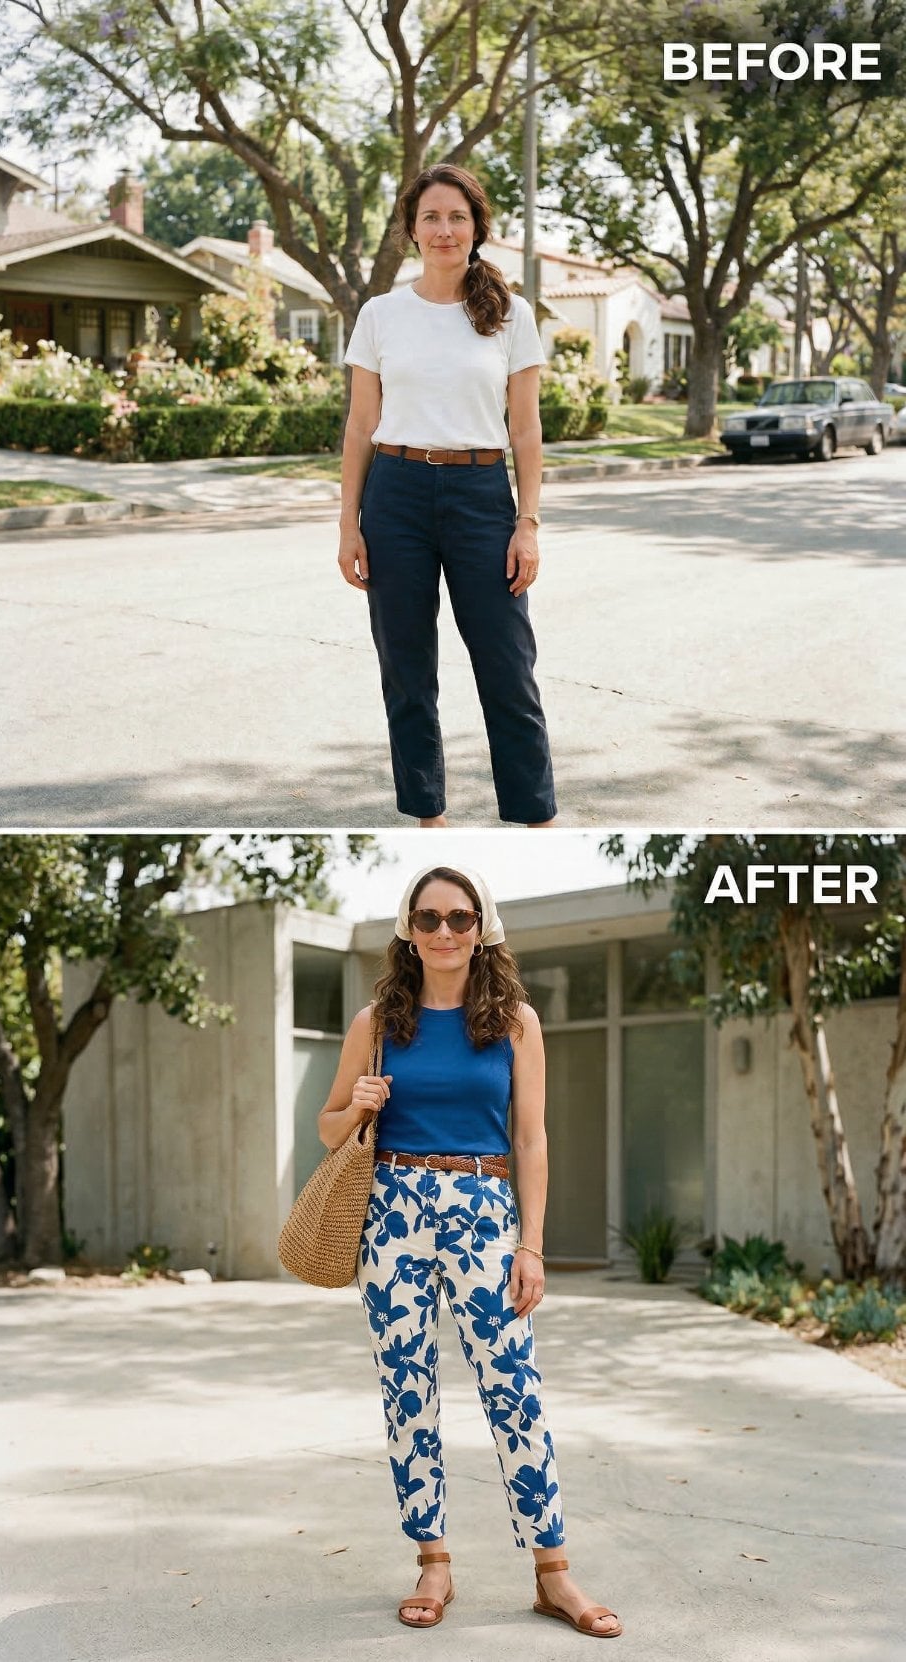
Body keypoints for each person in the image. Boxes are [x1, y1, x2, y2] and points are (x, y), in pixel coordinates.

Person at [317, 864, 623, 1638]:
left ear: (483, 927)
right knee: (406, 1389)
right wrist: (354, 1105)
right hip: (391, 1211)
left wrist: (535, 1245)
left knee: (513, 1388)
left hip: (484, 1209)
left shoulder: (515, 1019)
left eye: (459, 918)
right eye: (427, 919)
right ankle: (433, 1559)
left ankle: (554, 1572)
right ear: (406, 931)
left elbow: (530, 1136)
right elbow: (327, 1130)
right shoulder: (376, 1024)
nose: (444, 932)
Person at [338, 163, 557, 829]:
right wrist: (349, 524)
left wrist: (528, 524)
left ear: (477, 228)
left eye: (457, 216)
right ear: (410, 229)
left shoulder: (510, 315)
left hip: (480, 492)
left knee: (507, 664)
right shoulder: (380, 314)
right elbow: (360, 425)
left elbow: (525, 427)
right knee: (406, 668)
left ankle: (535, 815)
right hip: (396, 495)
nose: (444, 229)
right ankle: (428, 817)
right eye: (431, 216)